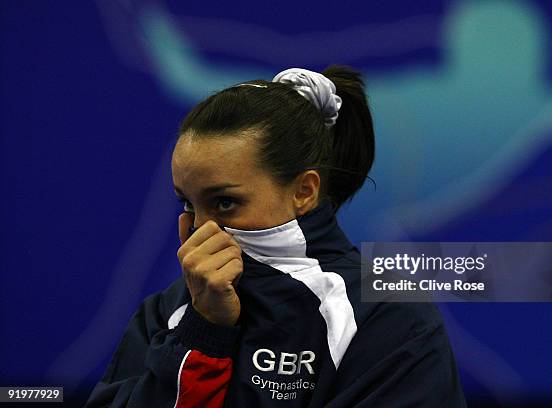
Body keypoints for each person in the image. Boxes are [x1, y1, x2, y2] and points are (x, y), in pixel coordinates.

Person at [86, 65, 466, 407]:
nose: (202, 232)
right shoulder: (168, 312)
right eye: (188, 205)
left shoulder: (389, 317)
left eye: (224, 203)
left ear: (304, 191)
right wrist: (203, 333)